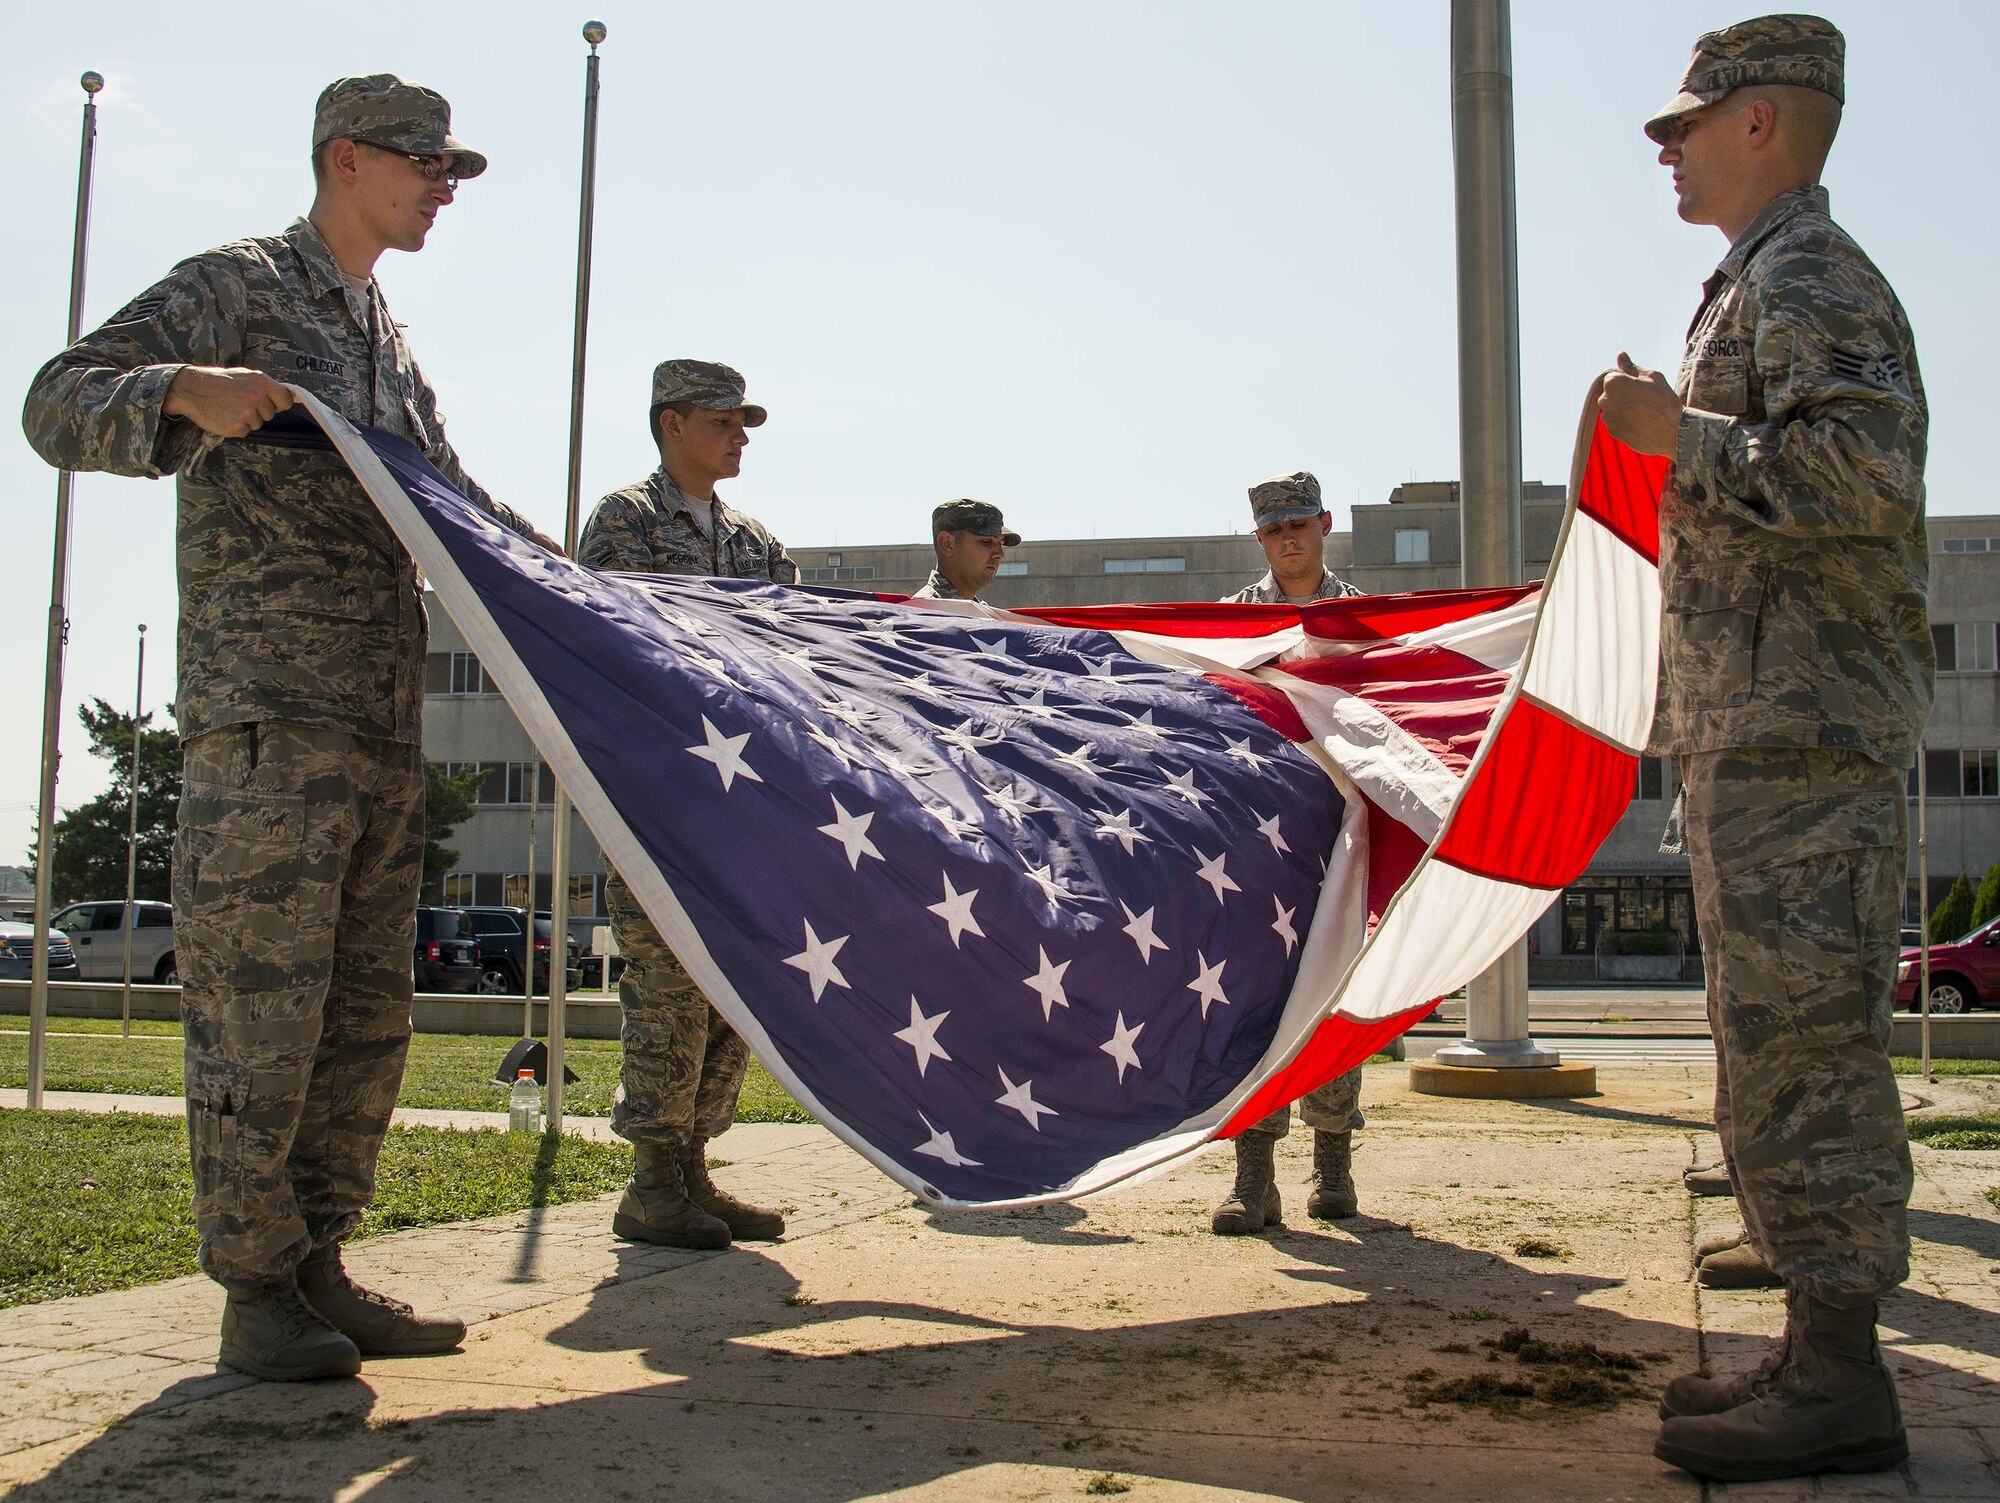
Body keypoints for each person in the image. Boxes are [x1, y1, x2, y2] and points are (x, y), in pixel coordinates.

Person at [22, 75, 557, 1382]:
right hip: (266, 717)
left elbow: (456, 507)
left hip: (378, 727)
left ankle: (319, 1262)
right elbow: (53, 398)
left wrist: (587, 599)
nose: (442, 188)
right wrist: (180, 391)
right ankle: (256, 1285)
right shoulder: (239, 286)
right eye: (430, 165)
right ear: (348, 158)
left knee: (364, 1019)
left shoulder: (388, 339)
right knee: (261, 1015)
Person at [1598, 15, 1928, 1483]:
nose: (1664, 148)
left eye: (1686, 122)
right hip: (1762, 735)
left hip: (1812, 738)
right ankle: (1813, 1340)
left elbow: (1865, 472)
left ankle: (1847, 1375)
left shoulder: (1814, 278)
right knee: (1770, 1048)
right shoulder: (1754, 283)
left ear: (1763, 122)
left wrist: (1684, 440)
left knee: (1814, 1051)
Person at [578, 359, 795, 1250]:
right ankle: (653, 1175)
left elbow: (790, 651)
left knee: (731, 985)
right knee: (666, 981)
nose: (739, 436)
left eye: (744, 422)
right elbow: (604, 643)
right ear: (672, 422)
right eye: (723, 421)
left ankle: (696, 1161)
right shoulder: (624, 522)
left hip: (739, 802)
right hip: (660, 791)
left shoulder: (753, 540)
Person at [1209, 471, 1366, 1235]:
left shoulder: (1355, 619)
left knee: (1333, 999)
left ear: (1326, 522)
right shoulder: (1233, 624)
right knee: (1254, 1004)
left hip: (1339, 838)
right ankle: (1254, 1173)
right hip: (1257, 846)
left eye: (1300, 523)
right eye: (1274, 530)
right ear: (1260, 538)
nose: (1289, 539)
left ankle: (1332, 1161)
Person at [912, 499, 1020, 601]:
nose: (1000, 554)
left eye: (1001, 543)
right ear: (947, 544)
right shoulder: (922, 614)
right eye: (986, 541)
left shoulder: (981, 613)